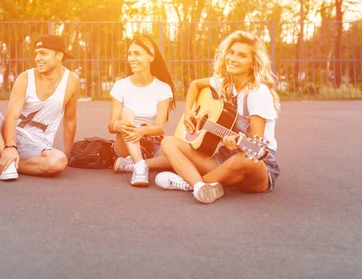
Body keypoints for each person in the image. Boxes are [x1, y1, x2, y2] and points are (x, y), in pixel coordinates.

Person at [156, 30, 281, 204]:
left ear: (253, 63)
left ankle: (191, 183)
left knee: (242, 159)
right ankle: (202, 186)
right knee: (168, 142)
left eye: (242, 56)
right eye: (231, 52)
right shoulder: (226, 83)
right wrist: (188, 112)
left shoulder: (257, 93)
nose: (233, 58)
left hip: (257, 162)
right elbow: (195, 85)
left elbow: (256, 143)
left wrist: (238, 143)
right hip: (225, 158)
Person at [0, 35, 80, 179]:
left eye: (43, 53)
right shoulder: (25, 78)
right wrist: (10, 147)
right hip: (6, 139)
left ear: (59, 55)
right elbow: (12, 116)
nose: (37, 58)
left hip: (37, 146)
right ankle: (6, 157)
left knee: (58, 162)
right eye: (36, 53)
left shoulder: (72, 81)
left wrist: (67, 155)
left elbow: (70, 120)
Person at [108, 33, 176, 186]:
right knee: (127, 112)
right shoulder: (120, 86)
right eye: (129, 54)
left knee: (176, 157)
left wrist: (142, 132)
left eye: (137, 54)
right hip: (125, 144)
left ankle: (133, 165)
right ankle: (139, 165)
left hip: (151, 142)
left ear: (151, 57)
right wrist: (116, 125)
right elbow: (111, 125)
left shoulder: (163, 88)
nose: (131, 58)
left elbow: (159, 128)